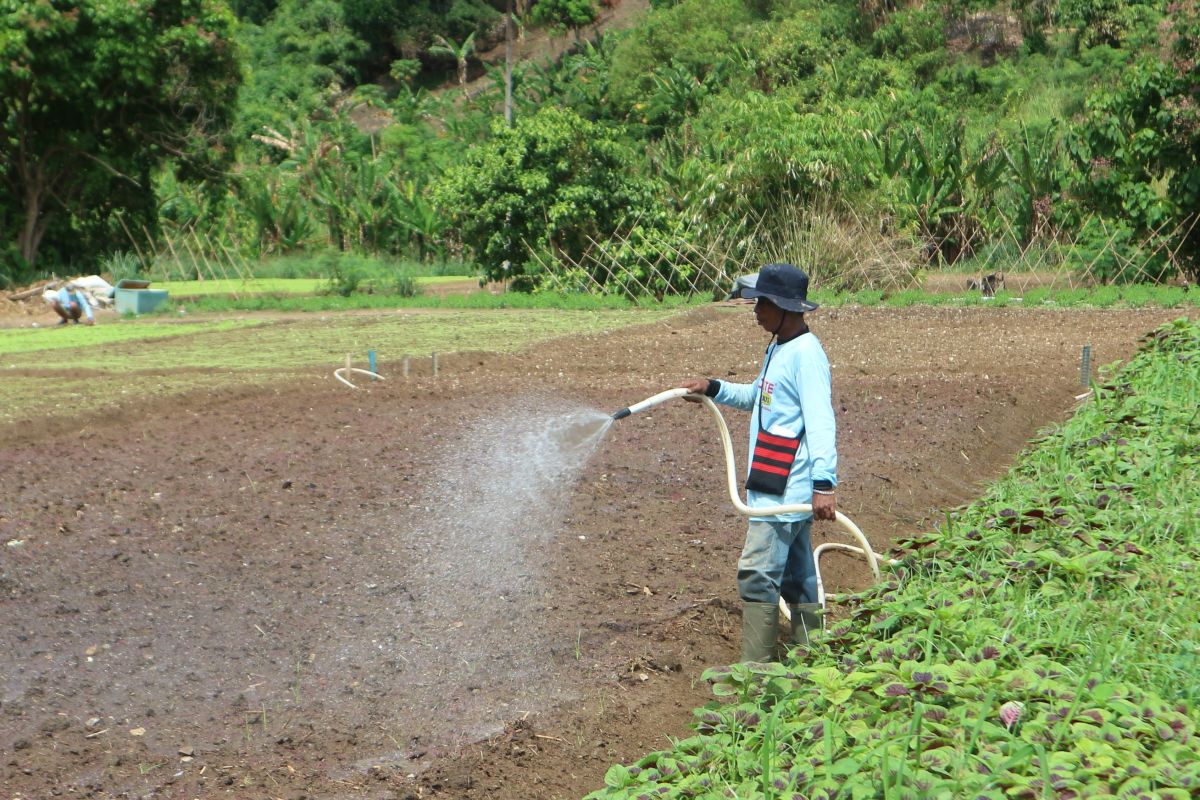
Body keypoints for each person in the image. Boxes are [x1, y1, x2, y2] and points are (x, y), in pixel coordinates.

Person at [681, 262, 837, 663]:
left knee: (757, 574)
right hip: (774, 481)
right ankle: (812, 658)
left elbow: (821, 422)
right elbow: (757, 396)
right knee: (797, 576)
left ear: (787, 307)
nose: (755, 309)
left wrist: (823, 485)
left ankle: (756, 675)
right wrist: (712, 388)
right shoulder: (779, 347)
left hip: (788, 489)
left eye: (763, 303)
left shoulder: (806, 355)